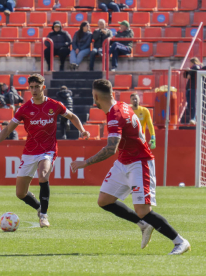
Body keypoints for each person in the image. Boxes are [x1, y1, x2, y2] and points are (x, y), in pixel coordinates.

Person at [71, 79, 190, 255]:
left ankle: (180, 242)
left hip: (139, 162)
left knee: (143, 210)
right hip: (124, 161)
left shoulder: (115, 114)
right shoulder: (122, 106)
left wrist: (85, 162)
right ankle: (143, 224)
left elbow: (111, 148)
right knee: (104, 200)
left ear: (95, 96)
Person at [0, 74, 89, 228]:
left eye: (37, 87)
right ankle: (40, 208)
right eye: (31, 87)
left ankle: (44, 216)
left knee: (43, 176)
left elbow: (72, 116)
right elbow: (7, 129)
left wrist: (82, 130)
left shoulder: (54, 105)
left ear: (43, 87)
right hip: (29, 152)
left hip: (48, 150)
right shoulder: (24, 109)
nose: (34, 90)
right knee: (20, 193)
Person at [184, 57, 203, 125]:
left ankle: (194, 118)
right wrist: (187, 71)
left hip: (193, 88)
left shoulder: (196, 66)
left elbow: (188, 76)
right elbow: (186, 76)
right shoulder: (193, 67)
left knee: (192, 104)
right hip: (190, 88)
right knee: (190, 104)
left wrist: (189, 71)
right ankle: (193, 118)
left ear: (193, 62)